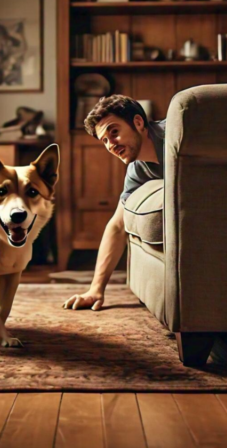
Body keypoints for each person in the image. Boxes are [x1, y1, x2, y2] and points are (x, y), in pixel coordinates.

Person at [62, 95, 165, 311]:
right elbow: (117, 226)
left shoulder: (173, 133)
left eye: (114, 132)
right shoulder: (137, 170)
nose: (111, 145)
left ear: (138, 123)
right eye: (105, 141)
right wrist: (95, 289)